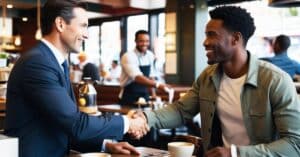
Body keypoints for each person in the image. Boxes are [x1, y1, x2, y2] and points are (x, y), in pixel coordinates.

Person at [131, 6, 300, 157]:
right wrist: (146, 118)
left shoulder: (275, 80)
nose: (205, 42)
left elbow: (294, 143)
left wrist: (234, 153)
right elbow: (181, 111)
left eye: (212, 35)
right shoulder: (208, 76)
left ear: (235, 38)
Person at [4, 1, 147, 157]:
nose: (87, 34)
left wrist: (106, 145)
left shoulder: (54, 62)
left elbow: (64, 124)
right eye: (83, 26)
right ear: (60, 24)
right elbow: (76, 124)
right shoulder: (38, 63)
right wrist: (128, 122)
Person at [119, 30, 169, 105]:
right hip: (128, 96)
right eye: (141, 41)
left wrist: (154, 94)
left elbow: (151, 76)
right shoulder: (128, 56)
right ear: (135, 41)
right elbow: (137, 77)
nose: (144, 44)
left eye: (147, 41)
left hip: (144, 96)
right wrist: (158, 85)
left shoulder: (150, 55)